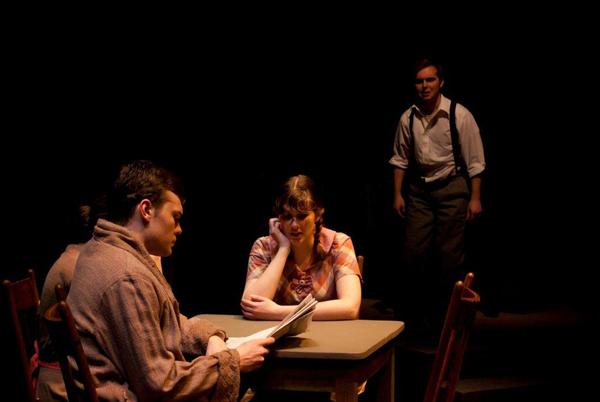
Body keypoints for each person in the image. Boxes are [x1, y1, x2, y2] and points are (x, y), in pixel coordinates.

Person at [67, 160, 274, 401]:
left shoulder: (102, 249)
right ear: (146, 210)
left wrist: (211, 337)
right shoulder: (127, 276)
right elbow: (159, 383)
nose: (179, 229)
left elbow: (167, 323)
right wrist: (232, 362)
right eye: (175, 217)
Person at [389, 57, 486, 336]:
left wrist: (475, 198)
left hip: (452, 187)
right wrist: (397, 194)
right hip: (419, 191)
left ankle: (447, 319)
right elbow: (400, 160)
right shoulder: (409, 117)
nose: (424, 86)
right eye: (419, 81)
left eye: (430, 80)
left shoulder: (458, 114)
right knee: (413, 254)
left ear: (440, 82)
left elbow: (475, 161)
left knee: (449, 258)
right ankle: (412, 318)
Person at [241, 174, 362, 321]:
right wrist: (283, 249)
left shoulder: (338, 244)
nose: (294, 225)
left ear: (317, 214)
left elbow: (350, 308)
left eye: (302, 216)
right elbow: (251, 305)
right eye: (286, 217)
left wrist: (278, 312)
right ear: (278, 218)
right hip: (275, 339)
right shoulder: (264, 247)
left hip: (332, 335)